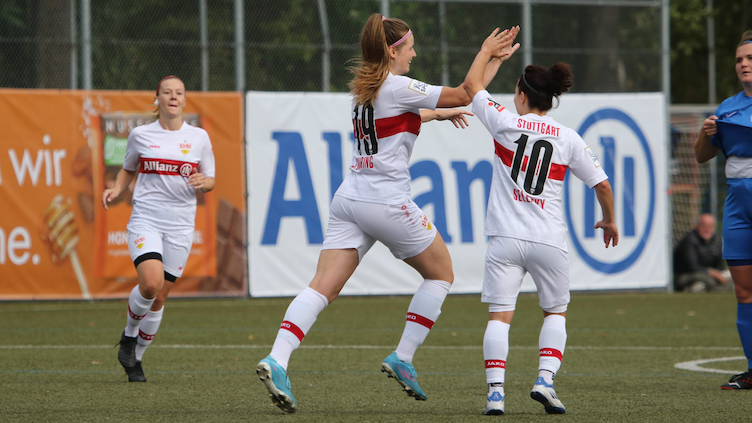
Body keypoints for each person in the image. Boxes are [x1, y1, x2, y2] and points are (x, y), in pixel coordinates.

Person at [255, 14, 518, 414]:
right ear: (393, 51)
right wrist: (485, 53)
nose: (414, 53)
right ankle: (403, 357)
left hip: (349, 199)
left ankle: (277, 357)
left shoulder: (367, 87)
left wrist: (441, 110)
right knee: (442, 273)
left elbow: (406, 114)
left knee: (321, 287)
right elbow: (468, 92)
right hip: (385, 201)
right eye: (409, 47)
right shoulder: (399, 85)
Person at [463, 30, 619, 415]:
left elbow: (471, 86)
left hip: (505, 237)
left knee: (500, 315)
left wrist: (488, 53)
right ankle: (545, 380)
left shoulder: (503, 122)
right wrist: (609, 221)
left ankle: (495, 395)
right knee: (555, 312)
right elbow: (602, 184)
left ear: (520, 96)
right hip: (549, 239)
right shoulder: (567, 138)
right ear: (550, 99)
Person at [102, 75, 215, 382]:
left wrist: (204, 182)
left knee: (161, 297)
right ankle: (128, 336)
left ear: (185, 99)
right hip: (146, 218)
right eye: (167, 92)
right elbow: (128, 168)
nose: (173, 97)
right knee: (150, 285)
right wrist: (115, 189)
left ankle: (134, 359)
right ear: (158, 98)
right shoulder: (140, 134)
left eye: (179, 92)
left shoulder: (199, 138)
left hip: (180, 224)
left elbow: (211, 179)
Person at [694, 29, 752, 390]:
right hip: (737, 206)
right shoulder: (727, 107)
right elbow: (702, 156)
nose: (743, 65)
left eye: (749, 59)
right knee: (744, 291)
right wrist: (704, 132)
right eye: (739, 60)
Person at [673, 213, 731, 293]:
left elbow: (720, 266)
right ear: (696, 225)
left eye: (710, 226)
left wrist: (718, 274)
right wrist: (712, 273)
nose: (706, 229)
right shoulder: (689, 240)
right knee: (708, 281)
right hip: (686, 275)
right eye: (703, 225)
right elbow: (693, 267)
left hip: (711, 275)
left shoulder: (717, 241)